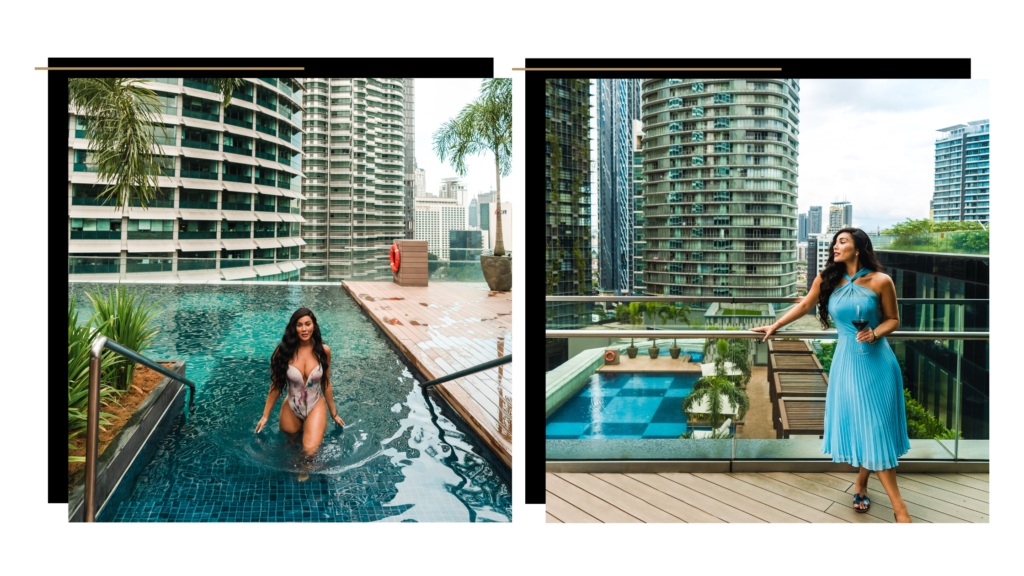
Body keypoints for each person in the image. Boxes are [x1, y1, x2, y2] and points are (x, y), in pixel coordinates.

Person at [752, 228, 913, 523]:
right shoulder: (827, 279)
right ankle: (866, 486)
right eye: (834, 243)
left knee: (875, 426)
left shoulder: (881, 281)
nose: (835, 247)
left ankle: (897, 507)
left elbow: (894, 319)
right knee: (867, 425)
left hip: (878, 363)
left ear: (859, 248)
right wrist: (775, 326)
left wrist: (875, 332)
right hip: (846, 364)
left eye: (842, 242)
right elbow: (804, 305)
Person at [256, 308, 345, 460]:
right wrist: (265, 416)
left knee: (309, 453)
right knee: (290, 446)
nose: (304, 329)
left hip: (315, 403)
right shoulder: (283, 351)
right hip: (291, 406)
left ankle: (304, 471)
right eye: (299, 325)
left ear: (314, 326)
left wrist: (334, 413)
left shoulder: (324, 351)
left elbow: (326, 384)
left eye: (308, 324)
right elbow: (276, 386)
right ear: (294, 327)